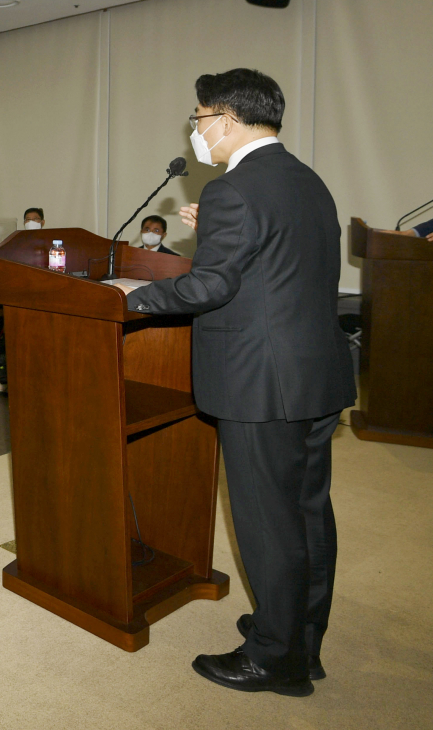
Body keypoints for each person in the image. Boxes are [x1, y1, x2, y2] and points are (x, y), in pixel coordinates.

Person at [121, 68, 356, 697]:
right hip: (315, 375)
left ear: (225, 118)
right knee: (306, 515)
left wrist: (134, 296)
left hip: (260, 383)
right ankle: (301, 640)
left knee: (266, 523)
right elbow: (276, 267)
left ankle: (272, 659)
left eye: (198, 119)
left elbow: (210, 287)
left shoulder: (235, 189)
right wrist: (216, 232)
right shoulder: (305, 180)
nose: (196, 132)